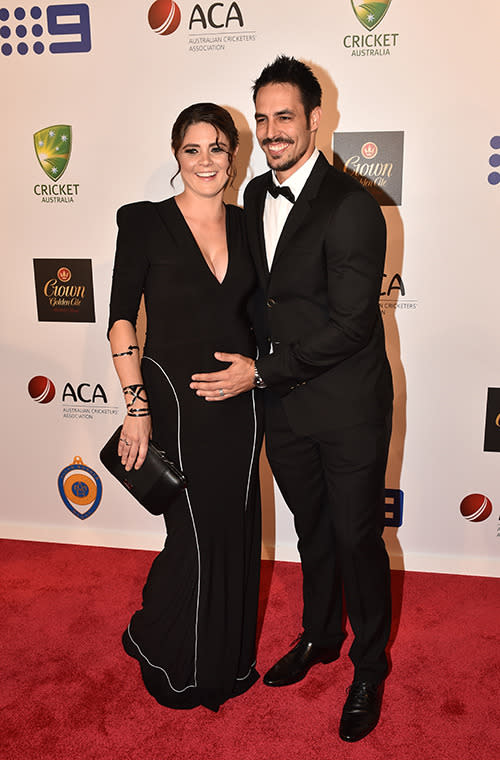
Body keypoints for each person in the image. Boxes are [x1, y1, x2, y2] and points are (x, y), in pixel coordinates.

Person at [190, 57, 393, 740]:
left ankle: (368, 666)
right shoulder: (251, 196)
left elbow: (352, 324)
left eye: (285, 116)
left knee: (357, 537)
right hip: (284, 409)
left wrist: (261, 372)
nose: (272, 130)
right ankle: (319, 636)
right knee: (312, 532)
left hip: (347, 408)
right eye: (263, 118)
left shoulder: (352, 205)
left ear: (315, 118)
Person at [107, 103, 263, 712]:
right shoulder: (144, 223)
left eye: (218, 148)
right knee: (192, 535)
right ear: (177, 155)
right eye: (193, 149)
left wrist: (259, 375)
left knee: (235, 531)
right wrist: (135, 406)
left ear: (234, 156)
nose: (206, 160)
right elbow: (122, 319)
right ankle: (168, 647)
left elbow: (265, 317)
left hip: (242, 407)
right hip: (173, 403)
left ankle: (228, 660)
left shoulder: (252, 225)